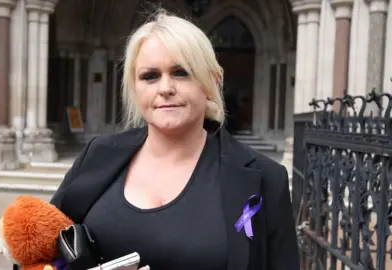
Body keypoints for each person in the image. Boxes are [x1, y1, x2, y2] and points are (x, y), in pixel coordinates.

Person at [50, 9, 299, 270]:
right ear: (135, 87)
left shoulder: (265, 179)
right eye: (150, 76)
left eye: (181, 72)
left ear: (211, 83)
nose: (165, 88)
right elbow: (39, 245)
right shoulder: (97, 155)